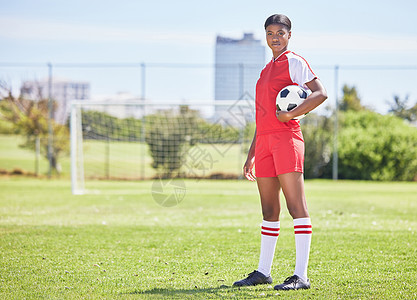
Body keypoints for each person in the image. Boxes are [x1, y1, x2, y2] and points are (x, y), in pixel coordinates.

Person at [232, 14, 327, 291]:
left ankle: (301, 276)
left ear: (289, 35)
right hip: (263, 144)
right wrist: (251, 153)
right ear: (266, 35)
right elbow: (261, 116)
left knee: (296, 206)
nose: (275, 37)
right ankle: (263, 271)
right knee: (269, 209)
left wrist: (292, 114)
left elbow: (320, 93)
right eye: (270, 32)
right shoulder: (264, 71)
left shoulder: (294, 62)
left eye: (280, 32)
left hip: (287, 140)